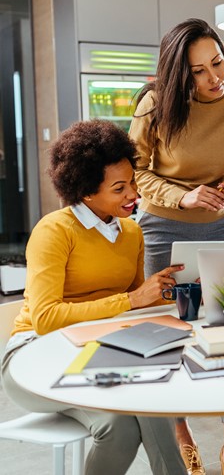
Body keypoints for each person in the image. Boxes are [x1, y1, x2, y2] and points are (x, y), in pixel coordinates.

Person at [0, 119, 187, 475]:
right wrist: (132, 301)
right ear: (87, 191)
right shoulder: (54, 231)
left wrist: (172, 294)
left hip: (99, 349)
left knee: (152, 399)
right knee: (117, 427)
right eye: (120, 188)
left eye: (132, 181)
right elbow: (46, 318)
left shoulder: (131, 231)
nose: (134, 194)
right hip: (34, 355)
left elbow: (134, 301)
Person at [129, 18, 224, 475]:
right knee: (169, 333)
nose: (214, 78)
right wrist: (182, 195)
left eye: (218, 63)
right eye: (198, 71)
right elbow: (137, 171)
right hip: (164, 226)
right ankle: (181, 434)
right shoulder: (154, 105)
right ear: (179, 75)